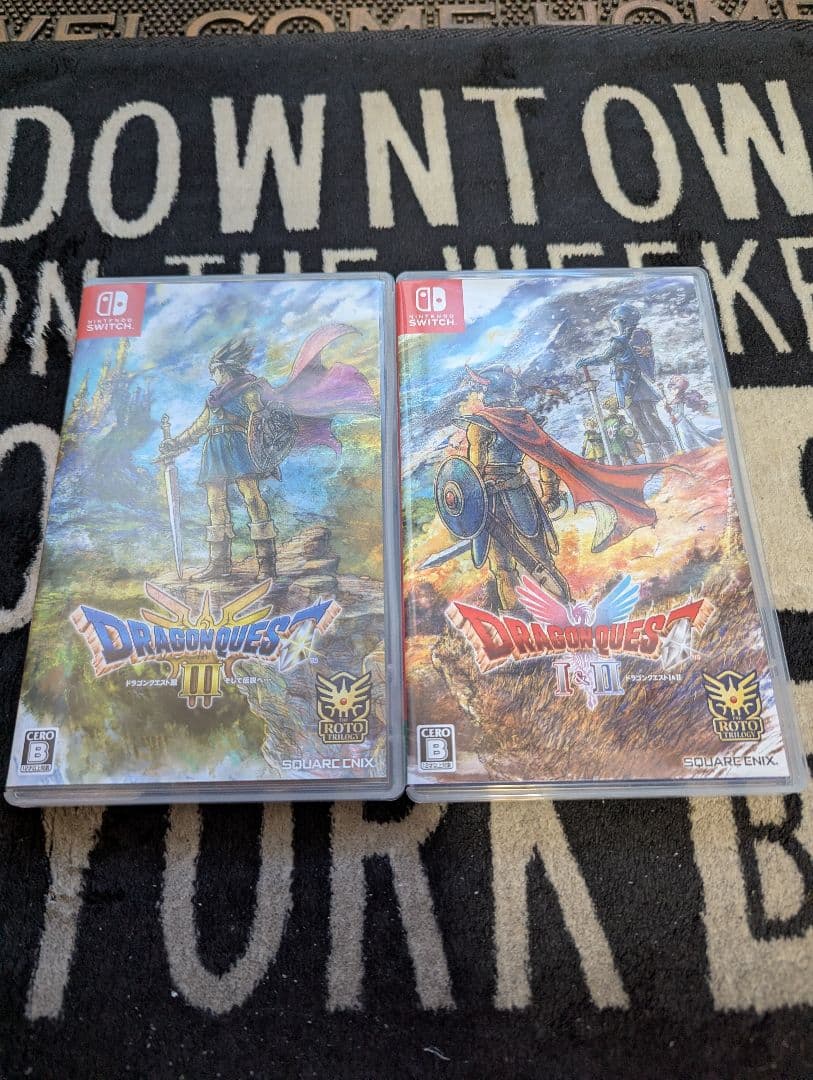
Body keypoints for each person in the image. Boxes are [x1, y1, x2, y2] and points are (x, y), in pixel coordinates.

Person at [159, 337, 278, 583]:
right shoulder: (213, 399)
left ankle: (267, 563)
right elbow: (200, 426)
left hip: (239, 447)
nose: (212, 377)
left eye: (213, 371)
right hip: (214, 449)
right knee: (215, 503)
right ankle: (219, 564)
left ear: (223, 369)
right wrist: (176, 443)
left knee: (252, 498)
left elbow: (262, 421)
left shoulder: (250, 390)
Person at [578, 303, 675, 462]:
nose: (615, 323)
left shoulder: (620, 341)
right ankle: (669, 454)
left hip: (627, 385)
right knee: (651, 418)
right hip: (639, 385)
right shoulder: (641, 336)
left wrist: (585, 361)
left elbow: (604, 358)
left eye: (616, 320)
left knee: (640, 421)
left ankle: (657, 458)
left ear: (621, 321)